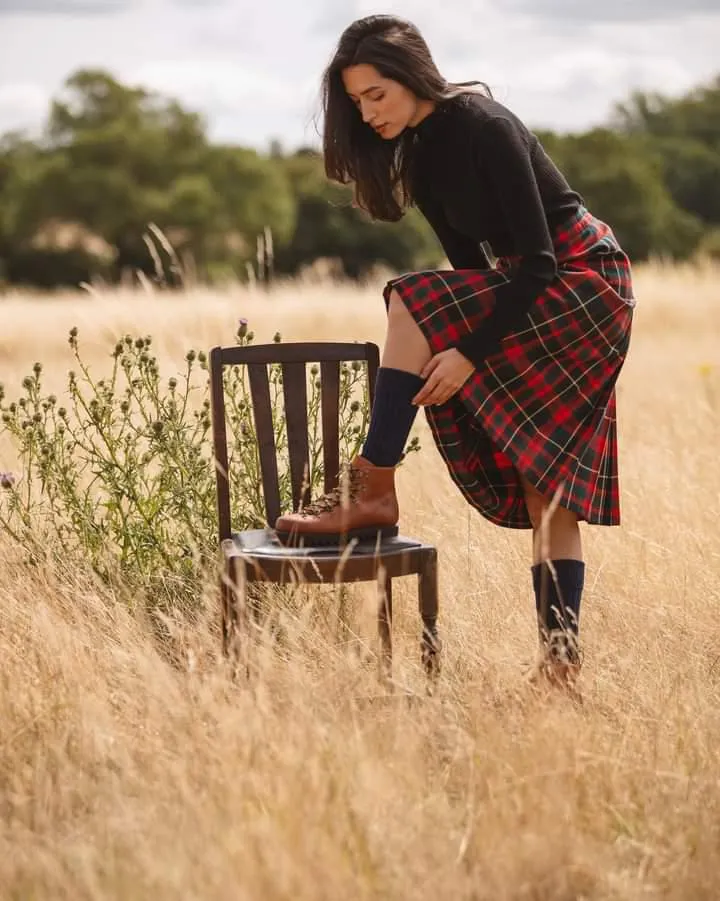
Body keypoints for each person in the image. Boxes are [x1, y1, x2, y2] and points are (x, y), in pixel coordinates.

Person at [274, 14, 636, 690]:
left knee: (410, 298)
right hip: (531, 288)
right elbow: (473, 270)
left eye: (376, 94)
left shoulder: (483, 125)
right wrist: (463, 343)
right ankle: (561, 668)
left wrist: (469, 353)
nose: (367, 112)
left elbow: (538, 263)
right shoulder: (420, 161)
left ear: (411, 76)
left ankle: (373, 483)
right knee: (543, 485)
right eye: (356, 102)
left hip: (585, 283)